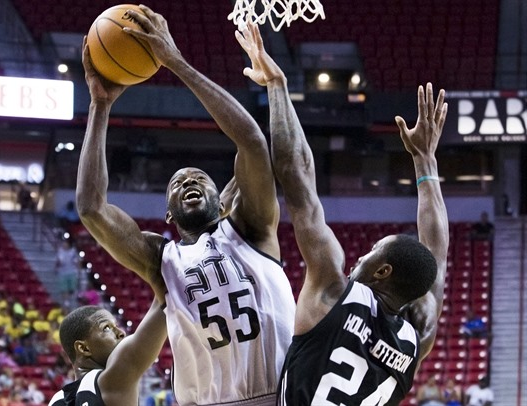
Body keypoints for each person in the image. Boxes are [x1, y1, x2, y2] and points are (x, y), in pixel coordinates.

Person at [75, 6, 295, 406]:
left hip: (281, 396)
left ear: (224, 200)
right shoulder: (162, 260)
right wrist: (100, 105)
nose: (189, 180)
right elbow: (91, 207)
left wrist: (175, 62)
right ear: (169, 216)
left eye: (199, 179)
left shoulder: (252, 227)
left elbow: (251, 141)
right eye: (177, 183)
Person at [236, 24, 449, 404]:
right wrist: (425, 163)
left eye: (371, 252)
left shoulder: (333, 292)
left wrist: (277, 87)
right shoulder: (417, 337)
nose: (361, 256)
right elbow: (437, 257)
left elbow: (298, 183)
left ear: (383, 271)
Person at [48, 300, 166, 406]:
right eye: (107, 328)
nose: (121, 333)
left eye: (117, 326)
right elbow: (163, 304)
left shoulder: (57, 400)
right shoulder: (110, 380)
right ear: (83, 348)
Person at [54, 238, 82, 308]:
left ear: (69, 244)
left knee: (72, 289)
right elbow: (58, 261)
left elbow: (77, 261)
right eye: (63, 243)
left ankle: (69, 298)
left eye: (65, 243)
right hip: (62, 273)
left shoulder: (73, 252)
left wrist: (79, 270)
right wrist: (56, 267)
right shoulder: (60, 251)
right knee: (64, 288)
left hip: (71, 272)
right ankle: (66, 301)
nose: (64, 244)